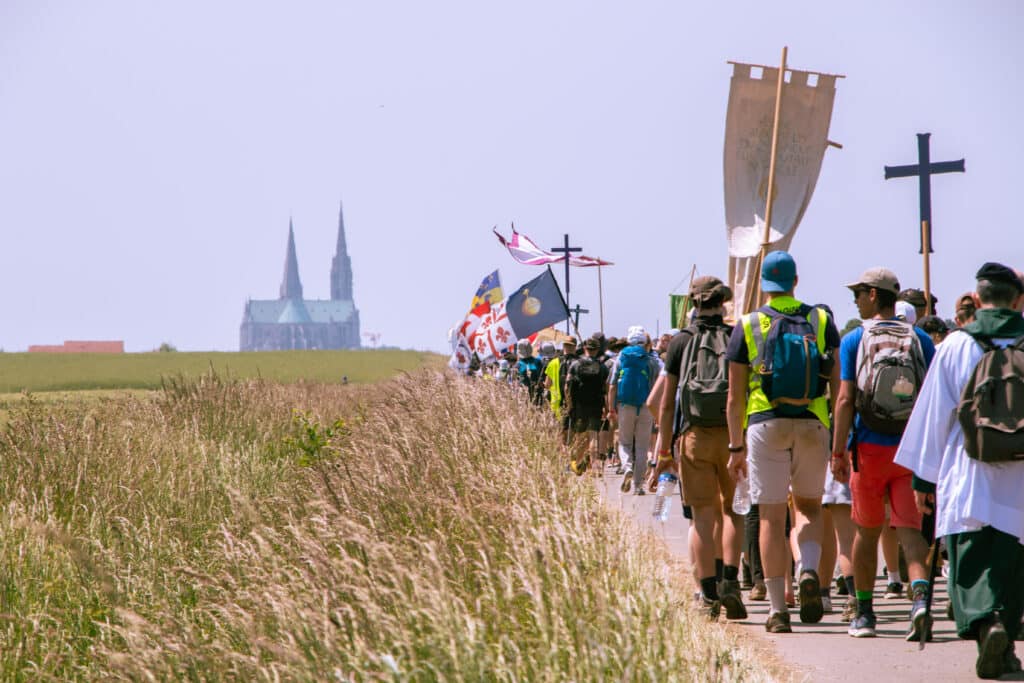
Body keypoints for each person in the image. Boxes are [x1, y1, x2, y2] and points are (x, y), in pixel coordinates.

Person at [895, 262, 1024, 679]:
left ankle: (988, 625)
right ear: (1017, 300)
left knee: (969, 563)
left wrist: (923, 478)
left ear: (978, 297)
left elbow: (934, 415)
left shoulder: (955, 344)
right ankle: (1005, 635)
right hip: (1020, 475)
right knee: (1012, 561)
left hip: (968, 471)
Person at [725, 251, 841, 633]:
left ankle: (777, 610)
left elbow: (734, 396)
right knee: (809, 507)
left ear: (764, 285)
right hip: (814, 422)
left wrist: (735, 446)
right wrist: (840, 440)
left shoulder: (748, 324)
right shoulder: (822, 319)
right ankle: (808, 568)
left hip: (765, 423)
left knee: (771, 517)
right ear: (795, 281)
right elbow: (838, 387)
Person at [830, 267, 936, 640]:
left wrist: (838, 451)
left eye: (859, 292)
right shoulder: (921, 338)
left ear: (874, 295)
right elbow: (930, 399)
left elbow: (845, 399)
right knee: (910, 531)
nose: (855, 299)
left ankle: (863, 613)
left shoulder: (855, 339)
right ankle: (921, 600)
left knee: (867, 530)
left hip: (869, 448)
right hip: (909, 450)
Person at [652, 275, 746, 620]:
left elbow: (665, 403)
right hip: (733, 436)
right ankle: (731, 583)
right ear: (724, 302)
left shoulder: (680, 342)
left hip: (694, 436)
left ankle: (707, 595)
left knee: (702, 518)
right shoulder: (737, 335)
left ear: (693, 303)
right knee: (734, 511)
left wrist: (663, 452)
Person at [607, 326, 660, 495]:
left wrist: (611, 409)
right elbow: (657, 387)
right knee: (643, 446)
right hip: (646, 407)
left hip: (625, 405)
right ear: (645, 343)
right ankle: (638, 486)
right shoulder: (651, 360)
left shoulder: (621, 358)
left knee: (625, 442)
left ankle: (627, 466)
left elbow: (612, 386)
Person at [565, 337, 609, 476]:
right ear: (597, 350)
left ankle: (578, 464)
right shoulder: (602, 367)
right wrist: (606, 407)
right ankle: (595, 466)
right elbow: (606, 388)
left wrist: (570, 404)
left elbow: (567, 386)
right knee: (593, 435)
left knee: (580, 435)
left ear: (585, 348)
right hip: (596, 404)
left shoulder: (575, 364)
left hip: (579, 405)